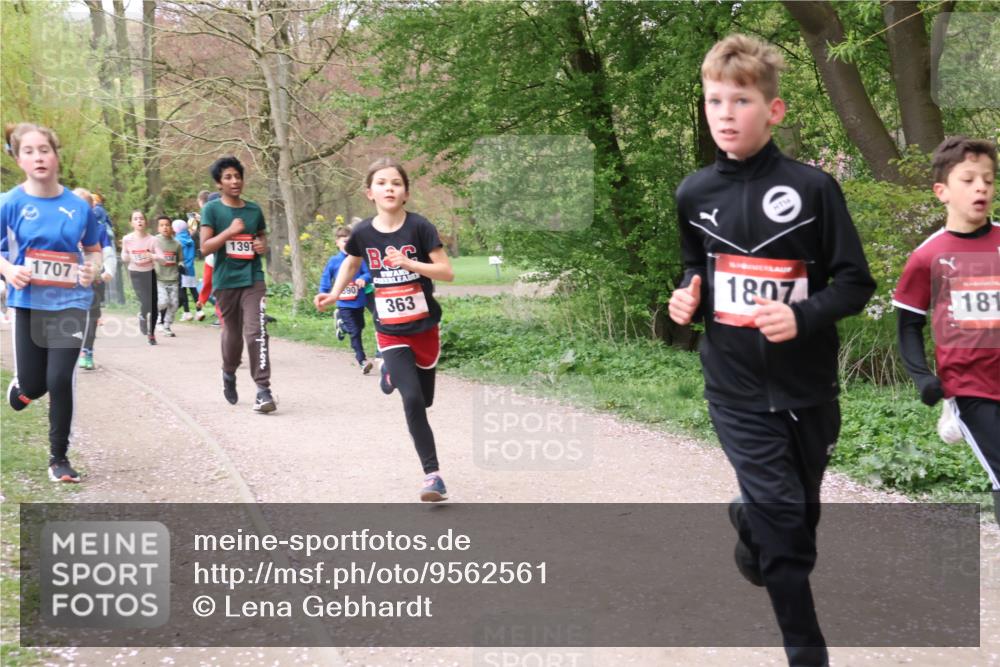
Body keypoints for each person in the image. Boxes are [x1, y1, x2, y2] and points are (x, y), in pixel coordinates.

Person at [667, 35, 875, 666]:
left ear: (773, 110)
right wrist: (684, 299)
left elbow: (855, 283)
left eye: (741, 99)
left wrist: (803, 314)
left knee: (796, 524)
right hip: (733, 387)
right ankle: (806, 652)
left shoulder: (813, 191)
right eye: (714, 101)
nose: (725, 113)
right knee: (788, 531)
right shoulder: (693, 193)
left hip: (808, 386)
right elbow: (690, 269)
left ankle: (752, 527)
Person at [317, 158, 455, 502]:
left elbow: (446, 271)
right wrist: (335, 294)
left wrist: (410, 263)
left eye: (395, 182)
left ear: (405, 192)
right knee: (411, 401)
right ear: (370, 193)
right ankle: (433, 476)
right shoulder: (363, 232)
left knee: (424, 400)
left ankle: (390, 376)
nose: (389, 188)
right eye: (381, 183)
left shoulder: (420, 227)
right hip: (389, 329)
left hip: (424, 327)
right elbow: (351, 262)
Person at [892, 136, 999, 526]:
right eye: (968, 179)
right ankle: (954, 414)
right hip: (970, 385)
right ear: (942, 191)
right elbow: (908, 323)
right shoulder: (927, 256)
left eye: (988, 180)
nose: (981, 188)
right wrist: (922, 376)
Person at [0, 122, 100, 483]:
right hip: (28, 301)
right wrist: (8, 270)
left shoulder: (77, 206)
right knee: (35, 384)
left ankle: (59, 458)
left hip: (71, 301)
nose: (38, 157)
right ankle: (23, 389)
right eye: (29, 151)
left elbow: (93, 249)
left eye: (44, 149)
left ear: (56, 155)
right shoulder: (9, 203)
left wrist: (92, 269)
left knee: (59, 379)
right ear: (19, 160)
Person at [199, 156, 276, 413]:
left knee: (256, 331)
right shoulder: (212, 210)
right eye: (228, 177)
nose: (235, 181)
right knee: (232, 334)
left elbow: (262, 239)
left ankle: (263, 390)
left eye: (237, 176)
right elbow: (205, 247)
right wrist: (229, 232)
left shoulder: (254, 210)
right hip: (225, 280)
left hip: (253, 278)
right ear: (219, 183)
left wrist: (262, 246)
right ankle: (229, 372)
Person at [318, 226, 373, 374]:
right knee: (355, 331)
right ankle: (362, 360)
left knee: (360, 327)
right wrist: (323, 294)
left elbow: (369, 273)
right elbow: (325, 278)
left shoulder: (359, 259)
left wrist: (363, 278)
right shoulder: (334, 261)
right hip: (344, 303)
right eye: (344, 241)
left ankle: (341, 325)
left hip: (359, 301)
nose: (347, 244)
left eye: (350, 241)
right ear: (337, 242)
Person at [72, 187, 116, 370]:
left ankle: (87, 350)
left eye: (85, 206)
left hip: (94, 281)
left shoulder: (98, 229)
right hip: (69, 283)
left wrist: (108, 271)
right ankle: (71, 348)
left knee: (92, 316)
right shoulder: (62, 226)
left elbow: (108, 252)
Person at [121, 210, 159, 345]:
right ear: (131, 223)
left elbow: (162, 259)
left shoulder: (153, 240)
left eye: (141, 218)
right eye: (136, 219)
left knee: (154, 304)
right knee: (145, 301)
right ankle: (143, 316)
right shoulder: (127, 239)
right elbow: (123, 256)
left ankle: (152, 334)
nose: (139, 221)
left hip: (150, 273)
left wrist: (153, 256)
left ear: (146, 222)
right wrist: (128, 256)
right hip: (136, 273)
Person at [153, 215, 182, 337]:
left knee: (174, 304)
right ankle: (157, 317)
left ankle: (167, 326)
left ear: (172, 227)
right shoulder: (154, 241)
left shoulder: (177, 244)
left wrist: (181, 265)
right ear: (158, 228)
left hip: (173, 278)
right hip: (159, 277)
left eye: (167, 225)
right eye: (162, 225)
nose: (165, 227)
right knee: (163, 301)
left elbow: (180, 259)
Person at [174, 219, 202, 321]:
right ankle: (199, 311)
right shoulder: (190, 240)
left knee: (183, 291)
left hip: (181, 268)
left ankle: (187, 313)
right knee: (194, 290)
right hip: (191, 269)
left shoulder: (176, 240)